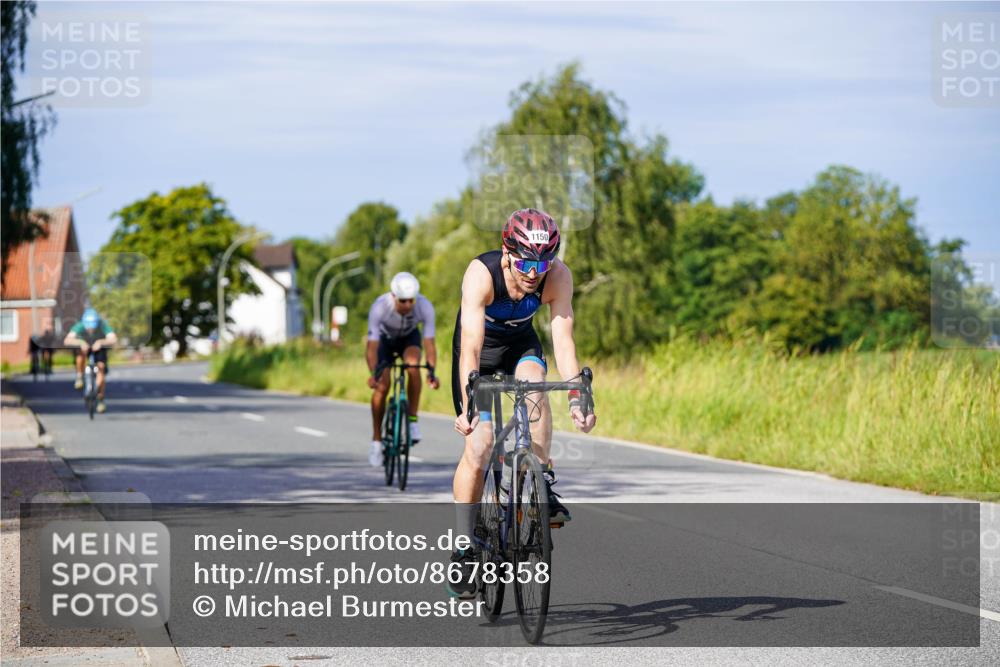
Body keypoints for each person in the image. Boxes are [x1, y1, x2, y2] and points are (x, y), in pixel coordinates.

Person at [446, 208, 596, 599]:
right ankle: (463, 548)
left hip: (520, 346)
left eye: (543, 261)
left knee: (536, 387)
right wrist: (467, 405)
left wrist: (578, 395)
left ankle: (542, 480)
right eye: (526, 261)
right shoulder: (481, 274)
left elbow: (563, 341)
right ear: (506, 251)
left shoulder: (557, 276)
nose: (534, 271)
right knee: (479, 447)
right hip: (479, 353)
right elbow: (472, 346)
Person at [366, 272, 439, 466]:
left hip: (409, 338)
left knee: (414, 366)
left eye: (411, 301)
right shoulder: (380, 307)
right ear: (393, 296)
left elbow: (429, 343)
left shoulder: (424, 307)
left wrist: (431, 372)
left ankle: (413, 420)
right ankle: (376, 440)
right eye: (403, 301)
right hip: (384, 341)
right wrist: (374, 373)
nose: (408, 305)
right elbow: (371, 347)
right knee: (383, 385)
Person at [64, 308, 117, 413]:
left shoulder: (102, 324)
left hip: (99, 348)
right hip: (85, 347)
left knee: (101, 367)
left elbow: (114, 339)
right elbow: (67, 340)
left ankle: (100, 399)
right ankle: (80, 376)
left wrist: (101, 342)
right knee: (80, 353)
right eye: (88, 328)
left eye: (93, 327)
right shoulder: (79, 326)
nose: (90, 330)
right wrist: (80, 342)